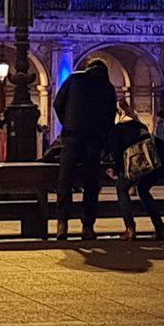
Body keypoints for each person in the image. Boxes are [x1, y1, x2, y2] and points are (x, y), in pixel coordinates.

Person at [53, 59, 116, 240]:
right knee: (91, 183)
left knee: (65, 179)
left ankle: (62, 224)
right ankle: (88, 226)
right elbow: (110, 116)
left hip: (72, 136)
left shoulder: (74, 80)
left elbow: (58, 103)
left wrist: (67, 123)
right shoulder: (107, 86)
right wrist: (104, 137)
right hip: (94, 139)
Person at [107, 100, 164, 240]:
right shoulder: (139, 125)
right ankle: (159, 227)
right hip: (158, 158)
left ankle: (130, 228)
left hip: (140, 161)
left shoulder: (115, 131)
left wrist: (117, 171)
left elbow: (118, 155)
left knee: (121, 188)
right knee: (143, 189)